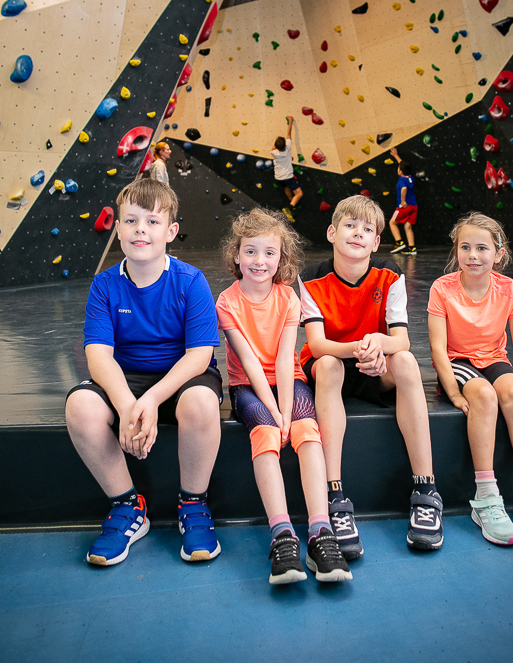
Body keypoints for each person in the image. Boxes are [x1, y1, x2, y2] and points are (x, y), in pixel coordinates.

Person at [65, 179, 223, 566]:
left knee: (202, 402)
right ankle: (127, 507)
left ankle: (194, 504)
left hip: (181, 375)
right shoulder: (104, 286)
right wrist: (127, 405)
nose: (140, 230)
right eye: (131, 220)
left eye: (152, 222)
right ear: (117, 228)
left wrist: (151, 400)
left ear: (170, 232)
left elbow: (199, 355)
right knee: (81, 407)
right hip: (127, 377)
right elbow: (99, 355)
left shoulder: (190, 281)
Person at [299, 195, 444, 560]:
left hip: (376, 363)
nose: (358, 234)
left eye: (367, 230)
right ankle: (334, 494)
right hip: (334, 362)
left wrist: (379, 344)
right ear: (332, 232)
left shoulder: (389, 273)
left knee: (408, 362)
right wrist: (363, 350)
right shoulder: (312, 279)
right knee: (330, 366)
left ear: (376, 242)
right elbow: (317, 346)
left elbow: (402, 340)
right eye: (350, 226)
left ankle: (426, 489)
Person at [216, 208, 351, 584]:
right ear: (237, 255)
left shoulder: (288, 298)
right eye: (251, 252)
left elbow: (283, 356)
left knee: (308, 433)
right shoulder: (227, 303)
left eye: (269, 253)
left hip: (288, 379)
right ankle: (282, 534)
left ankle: (320, 531)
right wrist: (275, 413)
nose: (260, 261)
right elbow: (250, 362)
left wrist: (289, 411)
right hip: (250, 385)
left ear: (281, 258)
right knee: (266, 432)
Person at [428, 212, 513, 546]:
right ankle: (486, 498)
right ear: (456, 251)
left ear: (498, 254)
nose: (473, 255)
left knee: (512, 392)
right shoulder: (443, 288)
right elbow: (439, 349)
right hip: (458, 362)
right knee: (483, 395)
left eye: (482, 248)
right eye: (465, 247)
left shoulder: (507, 288)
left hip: (494, 359)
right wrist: (454, 393)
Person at [271, 115, 303, 222]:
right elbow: (289, 133)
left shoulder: (274, 153)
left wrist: (276, 141)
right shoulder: (288, 147)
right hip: (288, 176)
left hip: (278, 177)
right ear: (285, 144)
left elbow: (274, 148)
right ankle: (289, 207)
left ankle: (291, 200)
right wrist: (290, 121)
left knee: (286, 188)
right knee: (299, 194)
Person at [389, 147, 417, 255]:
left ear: (400, 171)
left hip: (405, 206)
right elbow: (402, 164)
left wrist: (403, 201)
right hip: (414, 206)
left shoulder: (401, 180)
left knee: (392, 223)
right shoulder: (410, 177)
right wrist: (396, 156)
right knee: (407, 226)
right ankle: (412, 248)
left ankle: (399, 242)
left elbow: (404, 189)